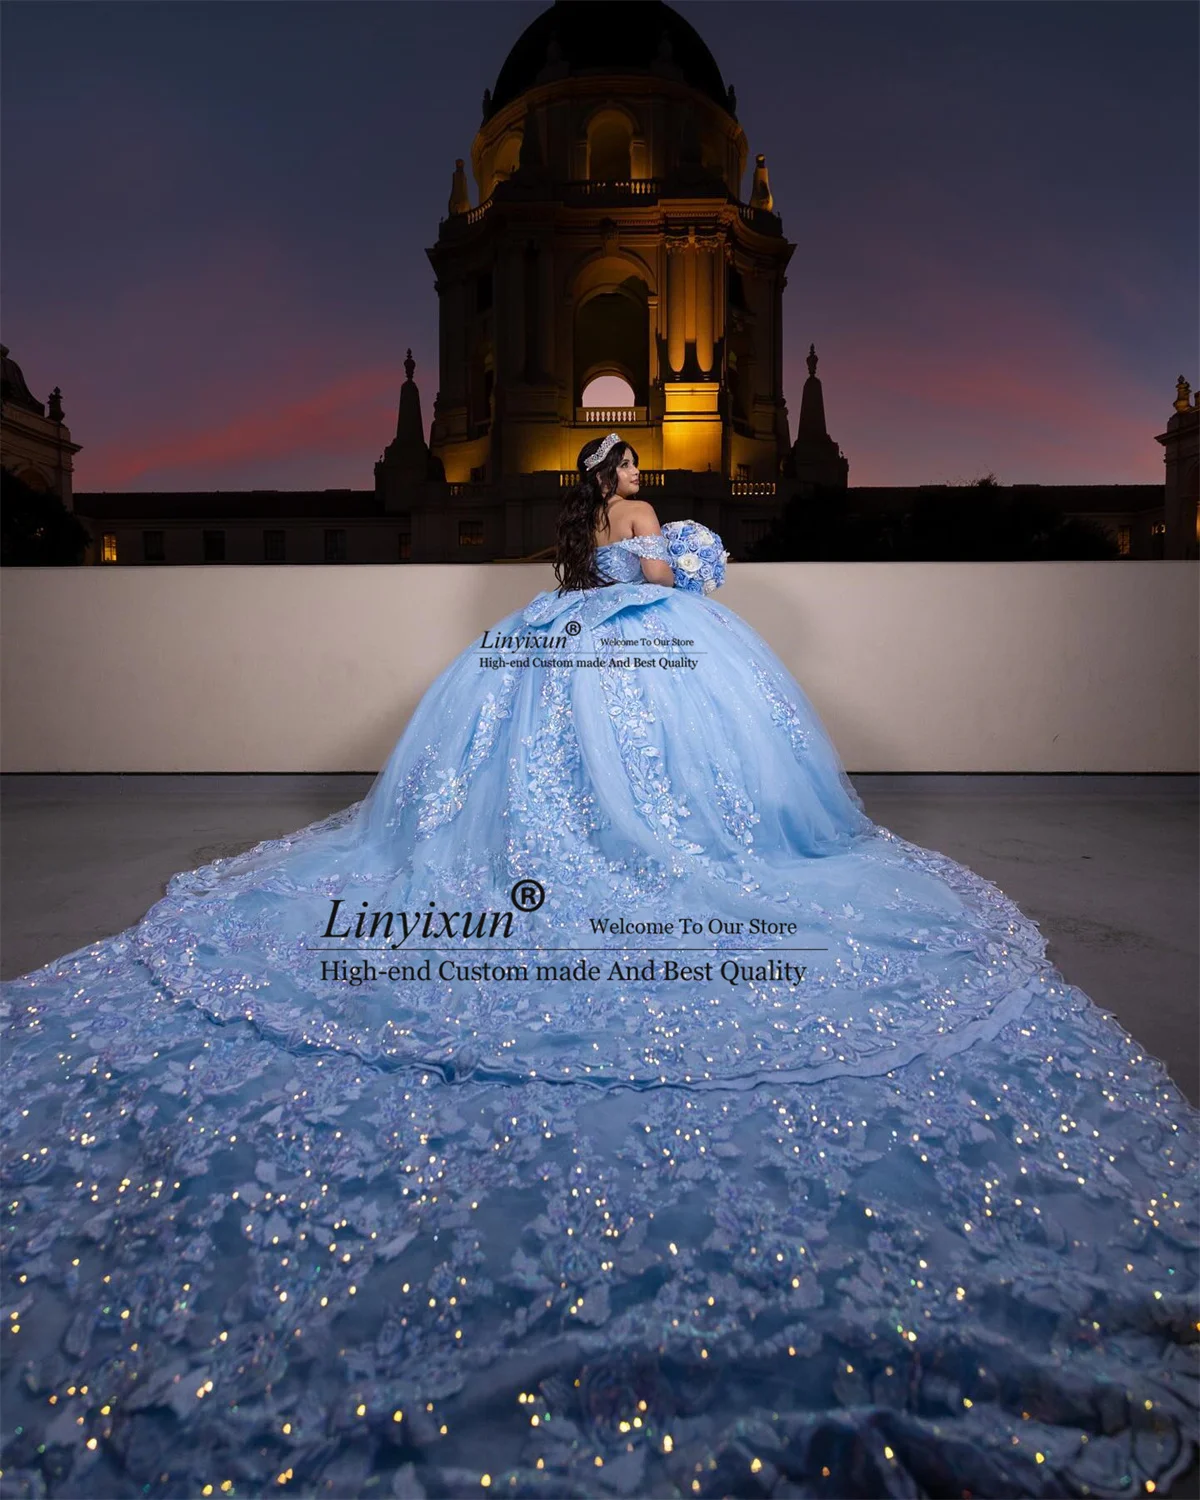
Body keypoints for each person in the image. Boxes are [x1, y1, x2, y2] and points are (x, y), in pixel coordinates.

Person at [1, 432, 1196, 1500]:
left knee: (673, 770)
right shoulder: (593, 543)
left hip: (676, 651)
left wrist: (656, 571)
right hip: (586, 642)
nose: (629, 478)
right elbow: (605, 580)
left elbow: (705, 576)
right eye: (618, 469)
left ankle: (674, 853)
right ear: (598, 485)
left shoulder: (671, 528)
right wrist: (620, 580)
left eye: (630, 469)